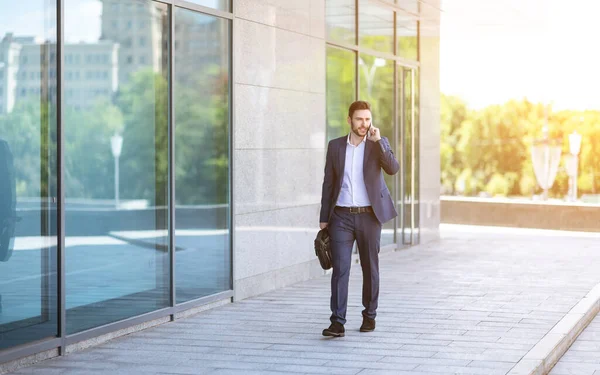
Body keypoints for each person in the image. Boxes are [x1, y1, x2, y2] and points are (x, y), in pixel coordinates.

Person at [319, 101, 399, 337]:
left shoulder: (376, 145)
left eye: (367, 119)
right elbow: (328, 183)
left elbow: (393, 168)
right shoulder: (335, 147)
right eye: (359, 119)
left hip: (369, 216)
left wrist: (380, 141)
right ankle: (337, 322)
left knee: (369, 268)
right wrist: (324, 218)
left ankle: (369, 316)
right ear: (349, 120)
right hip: (341, 216)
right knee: (340, 269)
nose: (364, 124)